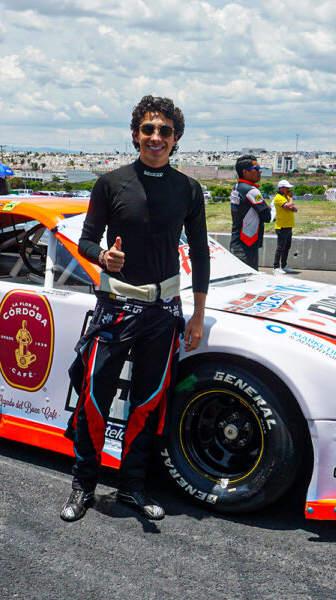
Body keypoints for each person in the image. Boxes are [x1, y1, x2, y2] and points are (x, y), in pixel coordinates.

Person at [60, 95, 210, 523]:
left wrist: (197, 314)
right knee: (94, 400)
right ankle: (83, 486)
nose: (156, 137)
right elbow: (85, 241)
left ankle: (132, 487)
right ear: (135, 135)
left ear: (176, 138)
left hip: (164, 314)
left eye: (164, 130)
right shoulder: (111, 183)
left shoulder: (188, 189)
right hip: (115, 309)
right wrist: (102, 257)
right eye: (148, 129)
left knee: (147, 403)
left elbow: (199, 254)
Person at [229, 155, 271, 270]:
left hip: (236, 242)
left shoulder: (236, 187)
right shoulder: (252, 191)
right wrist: (269, 207)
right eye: (257, 169)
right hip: (247, 245)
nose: (260, 171)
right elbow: (267, 217)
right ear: (245, 172)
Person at [272, 180, 298, 275]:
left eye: (289, 188)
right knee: (280, 247)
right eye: (286, 188)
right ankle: (275, 267)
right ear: (281, 188)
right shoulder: (278, 198)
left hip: (289, 225)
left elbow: (295, 209)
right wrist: (291, 199)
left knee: (287, 247)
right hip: (281, 226)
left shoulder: (285, 197)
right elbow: (288, 205)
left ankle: (283, 265)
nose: (288, 190)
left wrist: (290, 204)